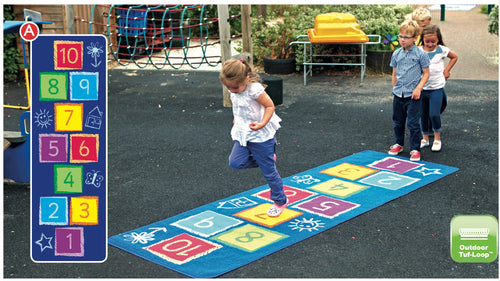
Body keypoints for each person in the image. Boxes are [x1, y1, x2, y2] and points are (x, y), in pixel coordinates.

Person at [220, 58, 288, 217]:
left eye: (234, 87)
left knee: (269, 172)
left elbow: (270, 106)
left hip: (261, 136)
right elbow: (239, 105)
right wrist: (238, 118)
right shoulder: (234, 88)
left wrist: (262, 123)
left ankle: (280, 200)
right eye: (228, 86)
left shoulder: (254, 90)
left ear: (246, 79)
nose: (231, 90)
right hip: (243, 133)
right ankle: (268, 158)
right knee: (235, 162)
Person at [388, 20, 430, 161]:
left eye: (406, 37)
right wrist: (394, 91)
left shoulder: (421, 54)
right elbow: (394, 74)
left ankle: (415, 149)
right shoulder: (396, 54)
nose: (402, 40)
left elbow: (426, 73)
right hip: (399, 93)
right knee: (398, 121)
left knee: (412, 123)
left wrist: (419, 88)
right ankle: (399, 144)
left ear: (415, 38)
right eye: (400, 36)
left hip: (413, 95)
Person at [417, 24, 458, 152]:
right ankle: (425, 138)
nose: (430, 44)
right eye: (427, 41)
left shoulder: (442, 50)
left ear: (438, 39)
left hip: (436, 88)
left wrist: (447, 70)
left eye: (433, 41)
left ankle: (437, 139)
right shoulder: (418, 50)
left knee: (434, 114)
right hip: (422, 88)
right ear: (422, 39)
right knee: (423, 114)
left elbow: (454, 57)